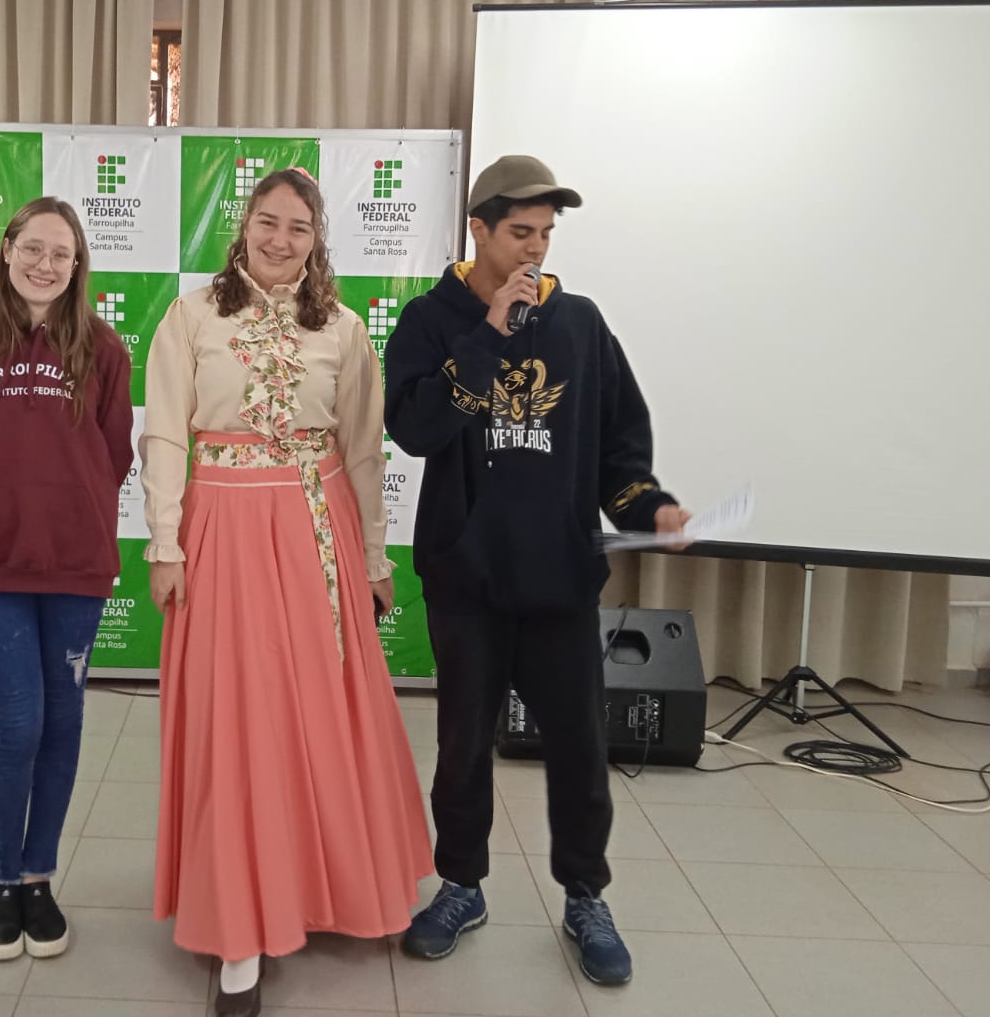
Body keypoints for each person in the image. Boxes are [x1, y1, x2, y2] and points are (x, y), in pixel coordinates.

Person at [383, 154, 690, 987]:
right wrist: (488, 334)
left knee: (580, 749)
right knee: (462, 747)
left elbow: (619, 446)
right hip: (467, 580)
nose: (535, 250)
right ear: (478, 228)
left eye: (546, 234)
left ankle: (586, 895)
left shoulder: (580, 323)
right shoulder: (430, 320)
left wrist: (649, 508)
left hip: (558, 578)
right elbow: (416, 429)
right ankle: (461, 885)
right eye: (520, 232)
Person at [142, 167, 432, 1017]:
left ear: (317, 239)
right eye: (268, 222)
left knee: (319, 713)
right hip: (222, 529)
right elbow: (165, 435)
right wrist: (165, 542)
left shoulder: (342, 327)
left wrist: (374, 557)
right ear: (245, 225)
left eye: (298, 227)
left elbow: (365, 450)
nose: (280, 239)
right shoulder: (193, 315)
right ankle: (239, 924)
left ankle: (328, 889)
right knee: (236, 720)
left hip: (316, 531)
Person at [0, 197, 134, 961]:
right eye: (34, 248)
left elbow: (114, 454)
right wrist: (1, 504)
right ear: (7, 248)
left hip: (77, 561)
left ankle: (39, 877)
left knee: (63, 721)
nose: (46, 265)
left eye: (62, 253)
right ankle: (2, 880)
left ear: (78, 264)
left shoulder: (104, 349)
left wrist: (67, 505)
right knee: (17, 722)